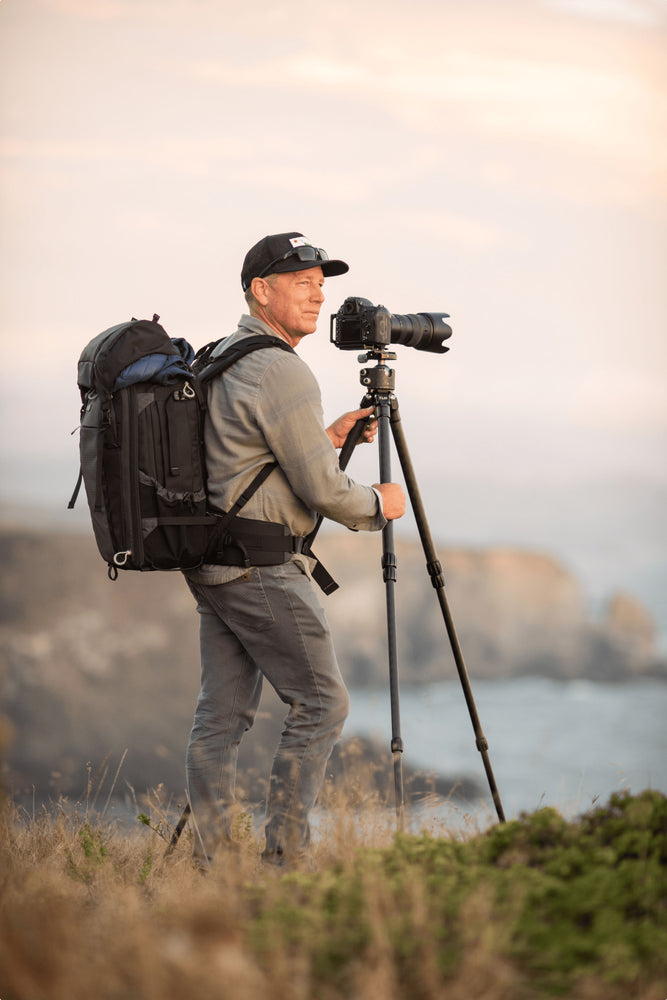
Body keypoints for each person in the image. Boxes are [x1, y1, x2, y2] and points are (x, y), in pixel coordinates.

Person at [184, 232, 405, 869]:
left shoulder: (225, 355)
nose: (317, 293)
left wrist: (329, 433)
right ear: (261, 290)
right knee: (322, 703)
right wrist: (377, 505)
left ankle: (217, 863)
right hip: (261, 568)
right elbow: (321, 490)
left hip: (215, 563)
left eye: (321, 282)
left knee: (221, 717)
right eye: (301, 280)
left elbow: (246, 459)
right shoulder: (281, 368)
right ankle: (284, 861)